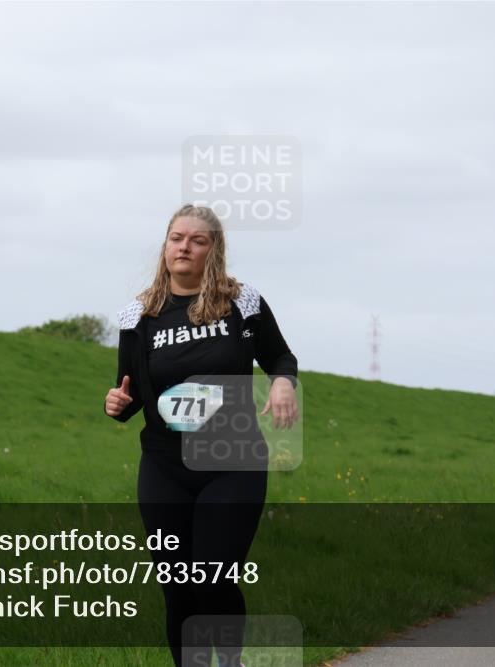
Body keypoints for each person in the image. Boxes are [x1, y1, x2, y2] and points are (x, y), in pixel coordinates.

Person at [104, 204, 298, 667]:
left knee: (212, 578)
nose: (184, 247)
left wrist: (283, 383)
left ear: (214, 249)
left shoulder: (242, 303)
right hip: (164, 466)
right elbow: (131, 393)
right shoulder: (138, 316)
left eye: (197, 240)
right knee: (177, 588)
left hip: (232, 460)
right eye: (176, 238)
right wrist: (116, 404)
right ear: (165, 246)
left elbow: (280, 357)